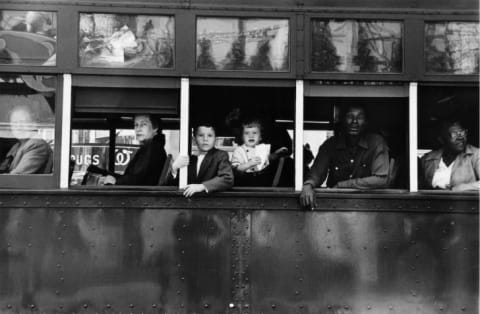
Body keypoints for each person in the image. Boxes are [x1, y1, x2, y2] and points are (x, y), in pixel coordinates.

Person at [300, 105, 390, 207]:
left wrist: (342, 185)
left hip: (367, 206)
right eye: (350, 116)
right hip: (335, 206)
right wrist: (308, 185)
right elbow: (317, 172)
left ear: (366, 122)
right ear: (343, 121)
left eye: (360, 117)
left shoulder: (376, 142)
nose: (354, 121)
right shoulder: (330, 144)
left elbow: (381, 179)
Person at [99, 114, 167, 186]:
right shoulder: (151, 147)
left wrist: (116, 181)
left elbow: (137, 179)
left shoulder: (153, 148)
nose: (138, 129)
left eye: (143, 124)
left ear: (155, 128)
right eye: (136, 125)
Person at [170, 122, 233, 197]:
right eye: (201, 135)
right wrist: (174, 168)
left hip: (212, 203)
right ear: (194, 139)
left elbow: (227, 178)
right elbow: (172, 185)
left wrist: (202, 186)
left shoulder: (220, 155)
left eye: (210, 136)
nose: (205, 139)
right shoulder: (190, 160)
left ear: (215, 139)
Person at [419, 119, 479, 191]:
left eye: (462, 132)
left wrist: (459, 188)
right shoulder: (428, 159)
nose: (460, 137)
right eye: (454, 134)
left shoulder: (476, 155)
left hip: (463, 201)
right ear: (441, 139)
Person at [0, 105, 53, 174]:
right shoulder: (16, 146)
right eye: (15, 123)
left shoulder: (36, 144)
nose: (18, 126)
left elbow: (16, 176)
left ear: (33, 124)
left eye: (22, 122)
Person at [231, 119, 274, 186]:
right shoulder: (239, 150)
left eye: (254, 133)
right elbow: (237, 169)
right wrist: (250, 164)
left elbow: (268, 161)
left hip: (262, 180)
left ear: (260, 137)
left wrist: (276, 154)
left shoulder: (263, 148)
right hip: (245, 181)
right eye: (247, 133)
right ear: (242, 137)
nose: (251, 136)